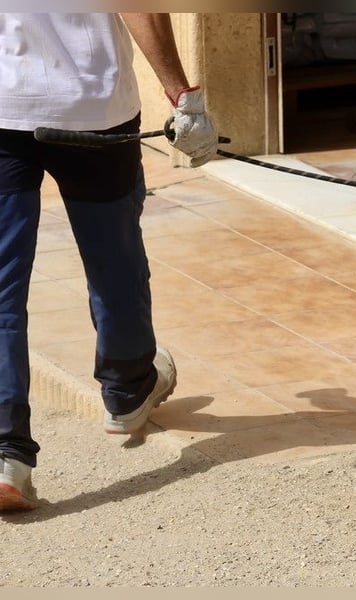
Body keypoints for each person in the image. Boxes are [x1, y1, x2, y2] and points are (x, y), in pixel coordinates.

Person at [0, 13, 218, 511]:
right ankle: (126, 391)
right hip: (94, 109)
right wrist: (185, 99)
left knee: (2, 289)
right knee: (114, 260)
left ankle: (6, 455)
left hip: (4, 110)